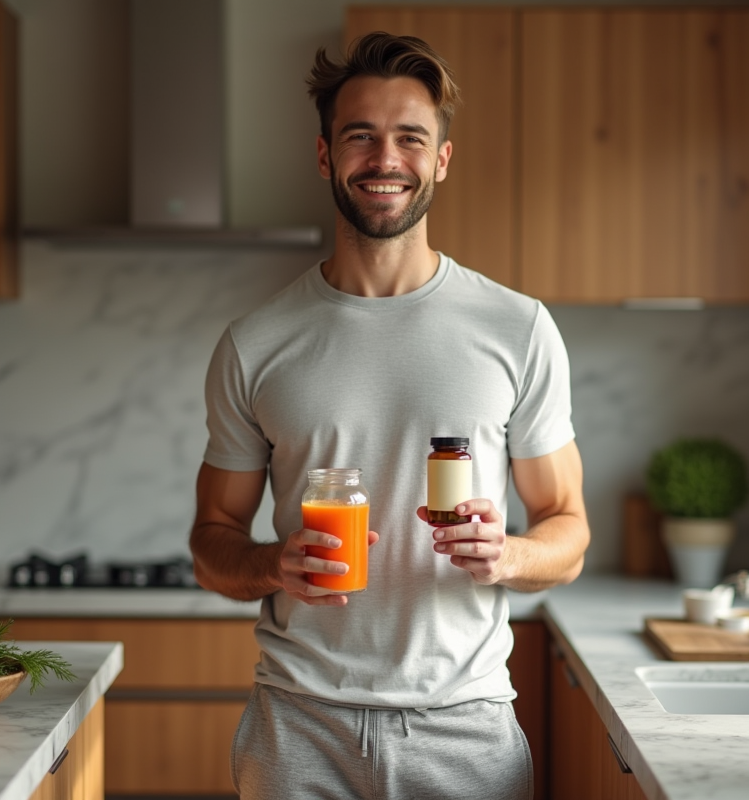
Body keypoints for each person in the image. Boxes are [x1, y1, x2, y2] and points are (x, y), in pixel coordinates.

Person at [189, 31, 590, 800]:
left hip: (464, 729)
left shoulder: (518, 328)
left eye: (410, 137)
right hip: (298, 729)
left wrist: (507, 554)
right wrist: (276, 563)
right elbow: (213, 545)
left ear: (441, 158)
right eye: (360, 137)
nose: (385, 160)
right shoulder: (256, 344)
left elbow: (567, 530)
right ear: (323, 155)